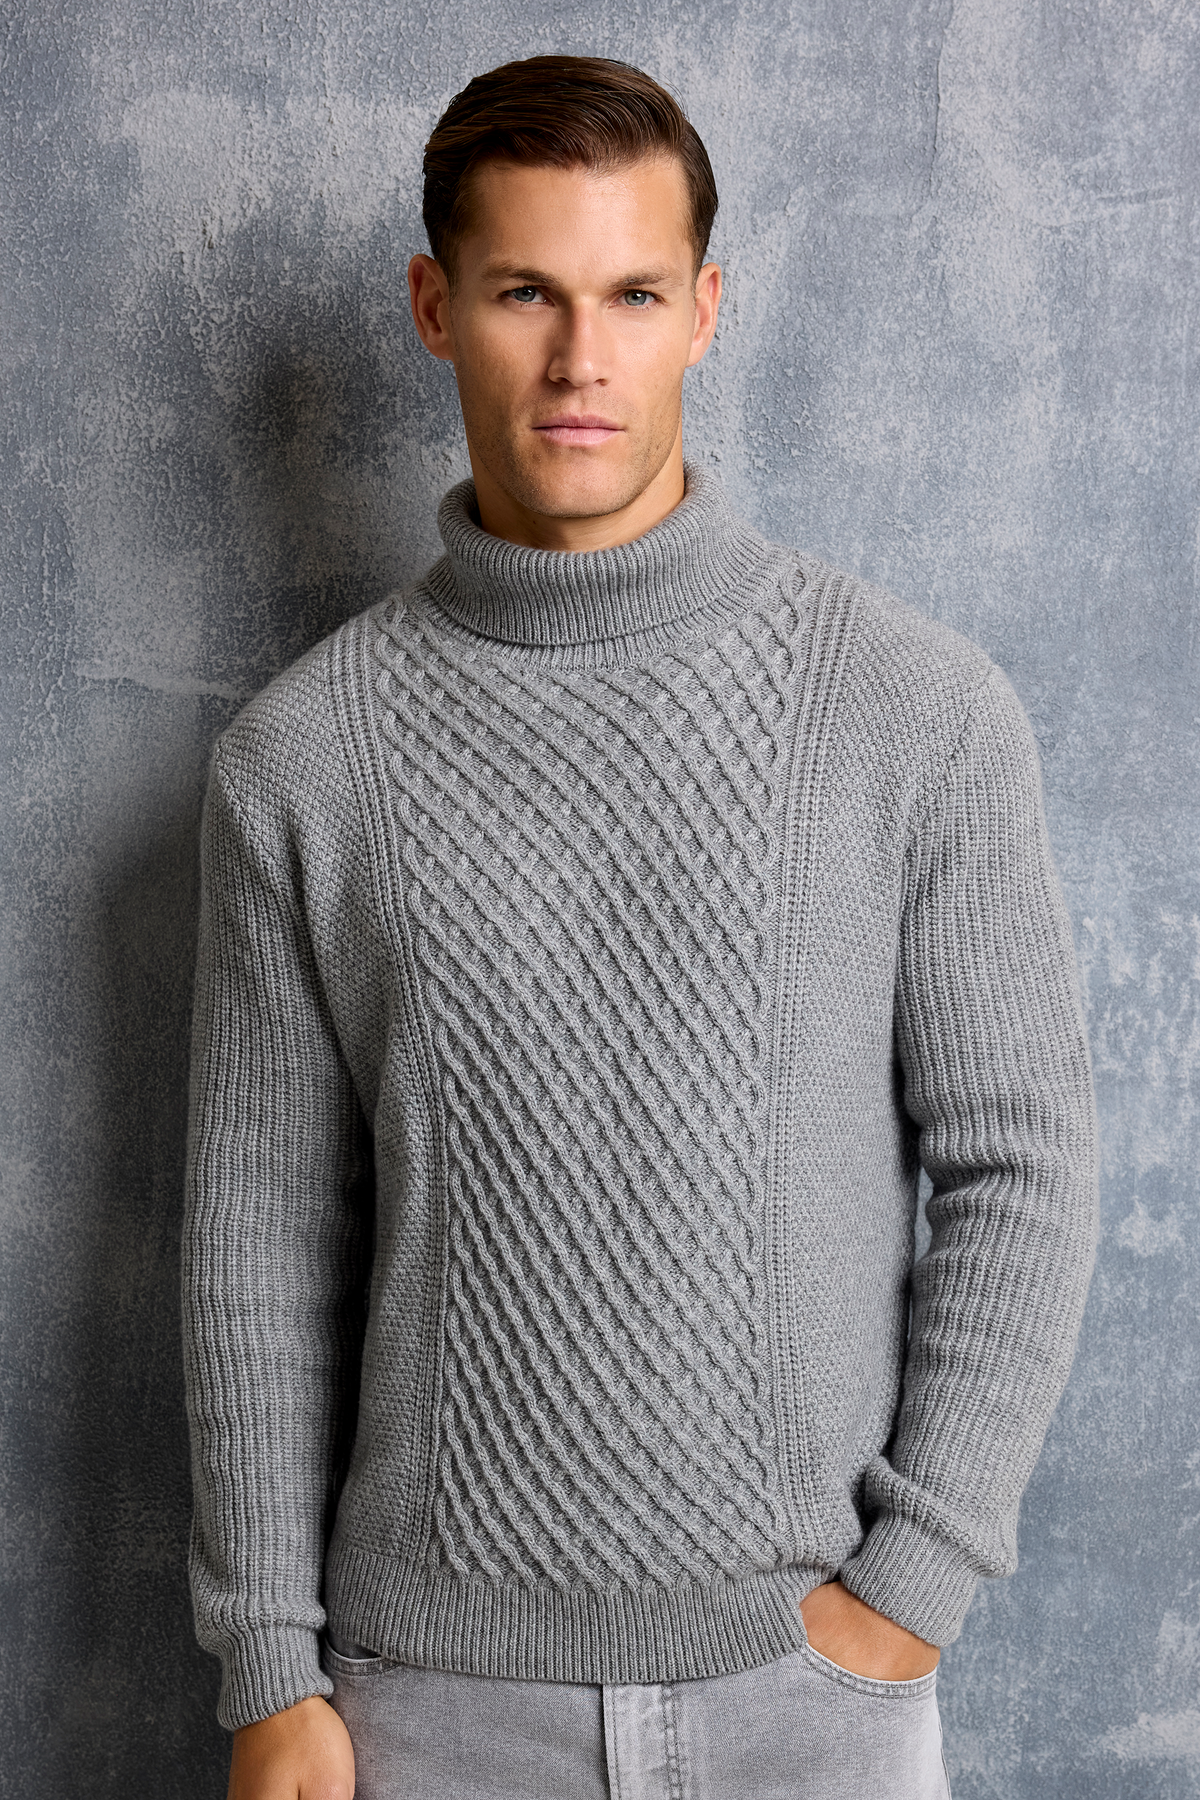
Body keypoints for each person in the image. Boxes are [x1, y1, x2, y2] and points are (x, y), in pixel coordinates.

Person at [182, 54, 1099, 1800]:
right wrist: (268, 1671)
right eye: (525, 292)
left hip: (810, 1696)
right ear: (435, 308)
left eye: (633, 295)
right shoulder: (301, 760)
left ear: (707, 312)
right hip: (422, 1710)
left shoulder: (912, 707)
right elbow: (258, 1240)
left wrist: (906, 1596)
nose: (581, 360)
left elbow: (1022, 1163)